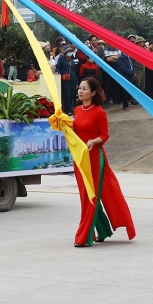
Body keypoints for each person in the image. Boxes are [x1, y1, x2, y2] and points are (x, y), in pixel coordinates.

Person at [71, 77, 135, 247]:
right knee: (85, 197)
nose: (80, 91)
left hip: (94, 158)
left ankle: (84, 236)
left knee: (91, 197)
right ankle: (103, 229)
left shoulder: (99, 112)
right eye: (80, 88)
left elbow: (105, 135)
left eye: (84, 89)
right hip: (80, 159)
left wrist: (93, 141)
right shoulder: (77, 110)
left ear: (93, 92)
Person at [55, 47, 77, 115]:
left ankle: (71, 109)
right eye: (69, 51)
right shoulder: (61, 59)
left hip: (72, 78)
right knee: (66, 95)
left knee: (72, 95)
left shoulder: (71, 60)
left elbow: (75, 71)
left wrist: (77, 82)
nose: (70, 52)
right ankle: (67, 110)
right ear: (66, 52)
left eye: (71, 51)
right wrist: (57, 72)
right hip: (66, 79)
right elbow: (58, 67)